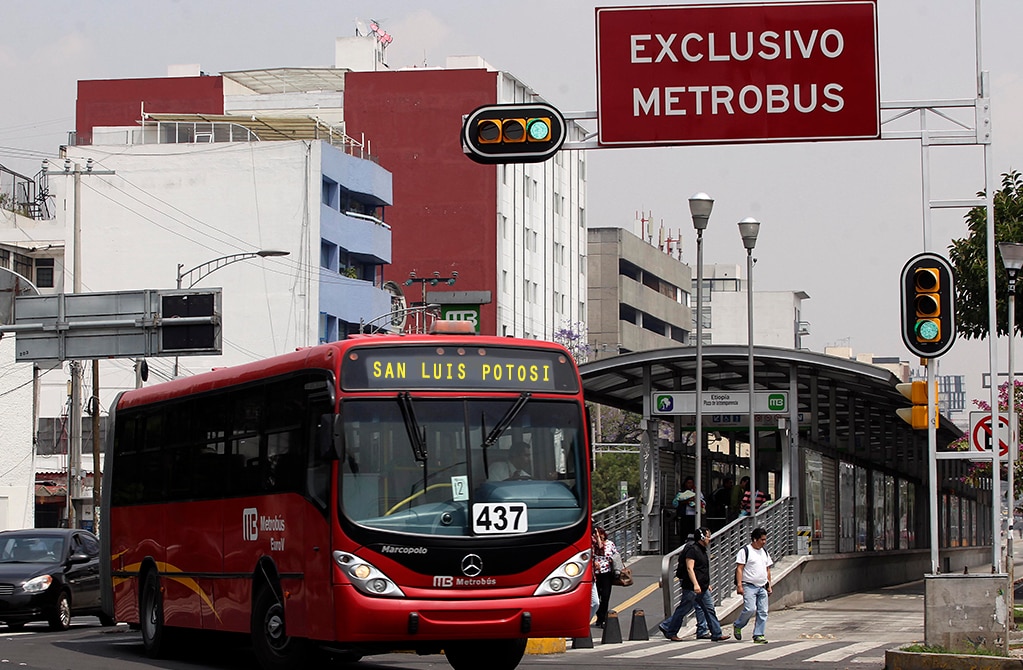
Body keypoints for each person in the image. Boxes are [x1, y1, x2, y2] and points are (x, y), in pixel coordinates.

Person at [657, 526, 730, 642]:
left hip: (703, 587)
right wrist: (696, 584)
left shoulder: (702, 550)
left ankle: (716, 633)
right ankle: (670, 630)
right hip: (691, 587)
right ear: (701, 537)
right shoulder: (692, 549)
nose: (709, 539)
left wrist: (707, 584)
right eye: (707, 536)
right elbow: (690, 568)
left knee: (709, 609)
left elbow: (702, 569)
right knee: (683, 609)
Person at [733, 526, 774, 644]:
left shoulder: (764, 552)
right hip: (749, 585)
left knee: (763, 611)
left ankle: (758, 634)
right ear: (755, 539)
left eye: (765, 539)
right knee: (750, 609)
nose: (764, 542)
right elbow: (739, 569)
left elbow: (767, 569)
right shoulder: (745, 551)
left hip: (762, 586)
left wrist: (769, 585)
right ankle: (738, 625)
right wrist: (739, 585)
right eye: (762, 539)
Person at [591, 526, 619, 628]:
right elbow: (597, 551)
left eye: (599, 534)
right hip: (596, 573)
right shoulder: (594, 545)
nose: (598, 536)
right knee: (597, 597)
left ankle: (603, 618)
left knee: (606, 596)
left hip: (607, 572)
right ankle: (599, 617)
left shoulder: (610, 544)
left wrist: (612, 560)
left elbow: (616, 554)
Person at [672, 476, 705, 543]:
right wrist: (686, 501)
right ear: (685, 483)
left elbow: (703, 502)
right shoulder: (681, 492)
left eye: (691, 483)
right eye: (688, 483)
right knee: (684, 533)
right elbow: (676, 503)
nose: (690, 484)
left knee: (694, 532)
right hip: (685, 515)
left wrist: (695, 501)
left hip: (695, 515)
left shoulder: (697, 492)